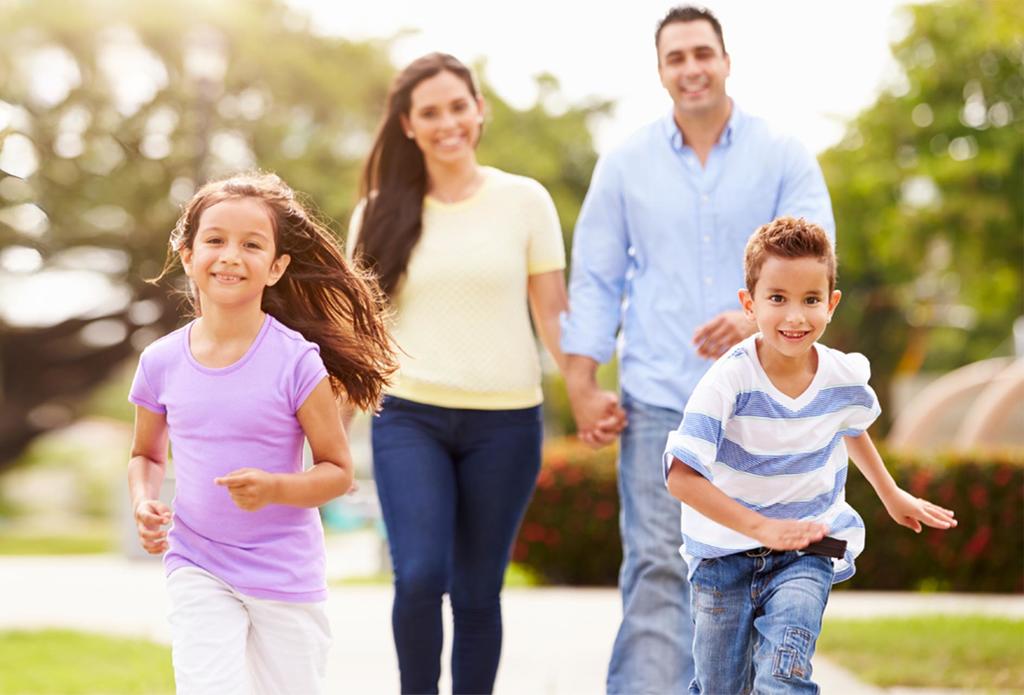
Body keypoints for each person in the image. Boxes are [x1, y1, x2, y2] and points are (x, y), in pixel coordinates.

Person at [560, 6, 836, 693]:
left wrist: (755, 322)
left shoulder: (782, 153)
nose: (691, 68)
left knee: (746, 565)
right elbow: (595, 277)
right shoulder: (625, 163)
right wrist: (582, 380)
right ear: (660, 71)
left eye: (702, 54)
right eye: (676, 57)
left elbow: (819, 255)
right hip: (660, 393)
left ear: (726, 60)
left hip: (762, 398)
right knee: (657, 562)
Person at [347, 52, 622, 695]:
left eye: (458, 106)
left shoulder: (523, 200)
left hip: (506, 424)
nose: (448, 122)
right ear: (408, 125)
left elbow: (553, 313)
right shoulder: (378, 212)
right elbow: (359, 331)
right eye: (430, 112)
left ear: (479, 110)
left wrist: (583, 392)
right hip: (408, 415)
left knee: (476, 593)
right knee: (418, 576)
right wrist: (326, 430)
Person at [127, 172, 396, 694]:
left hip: (284, 573)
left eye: (251, 245)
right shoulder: (160, 362)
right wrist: (144, 499)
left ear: (276, 268)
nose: (231, 255)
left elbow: (337, 473)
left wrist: (277, 488)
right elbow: (146, 454)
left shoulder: (296, 362)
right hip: (197, 560)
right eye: (215, 240)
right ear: (187, 256)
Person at [664, 216, 957, 693]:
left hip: (811, 547)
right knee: (720, 686)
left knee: (786, 676)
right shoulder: (728, 381)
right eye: (777, 299)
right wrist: (763, 529)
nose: (795, 317)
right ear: (749, 304)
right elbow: (680, 477)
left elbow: (852, 426)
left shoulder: (842, 375)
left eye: (810, 300)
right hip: (723, 556)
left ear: (831, 303)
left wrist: (891, 494)